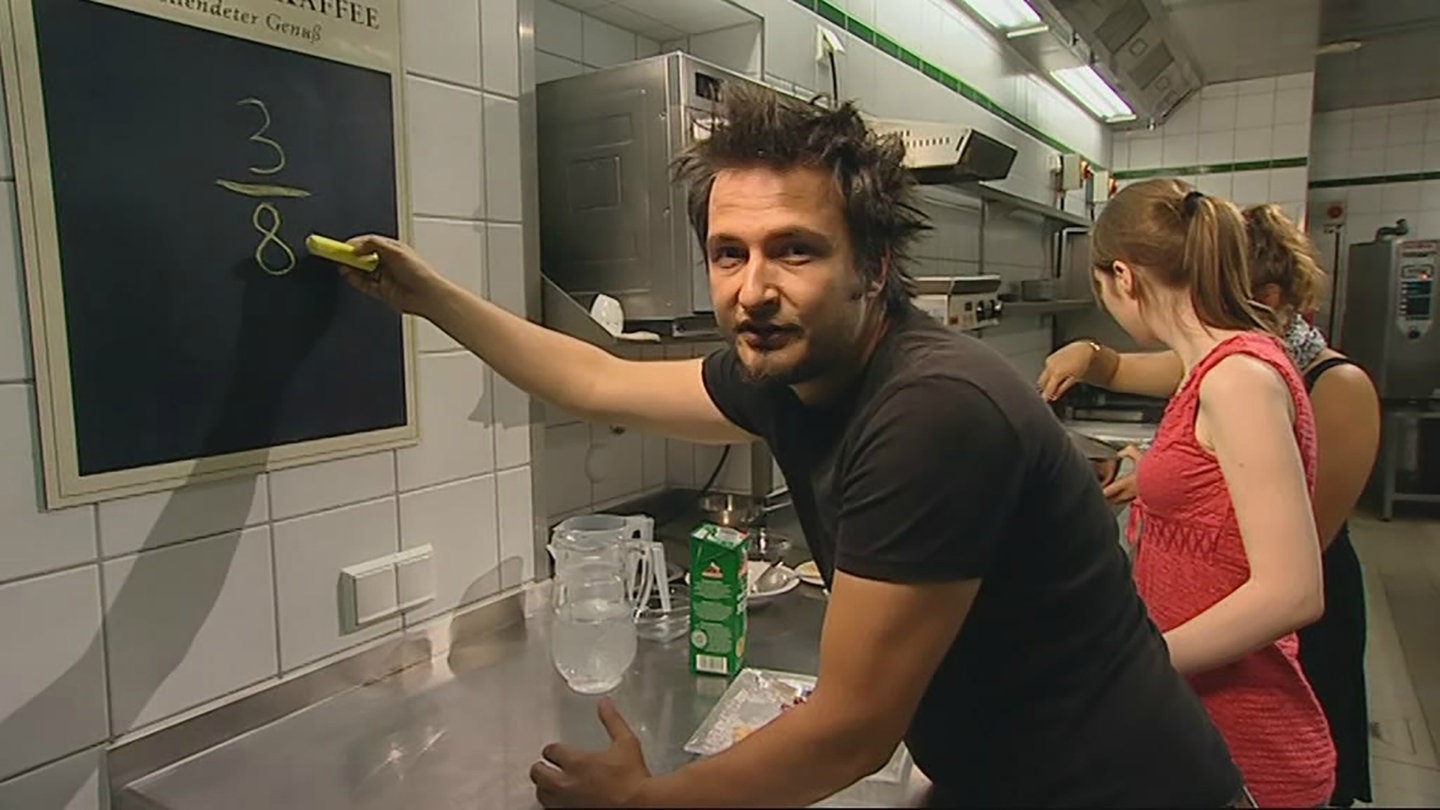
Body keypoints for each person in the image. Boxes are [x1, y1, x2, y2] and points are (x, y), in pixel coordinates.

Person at [335, 85, 1246, 807]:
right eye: (729, 253)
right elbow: (598, 380)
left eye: (795, 251)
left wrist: (647, 802)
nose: (753, 288)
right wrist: (431, 298)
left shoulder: (930, 413)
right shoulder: (789, 373)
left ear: (874, 267)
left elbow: (852, 731)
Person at [1039, 201, 1380, 806]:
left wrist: (1128, 661)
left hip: (1246, 741)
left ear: (1124, 278)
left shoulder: (1237, 378)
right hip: (1195, 719)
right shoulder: (1212, 367)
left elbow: (1293, 592)